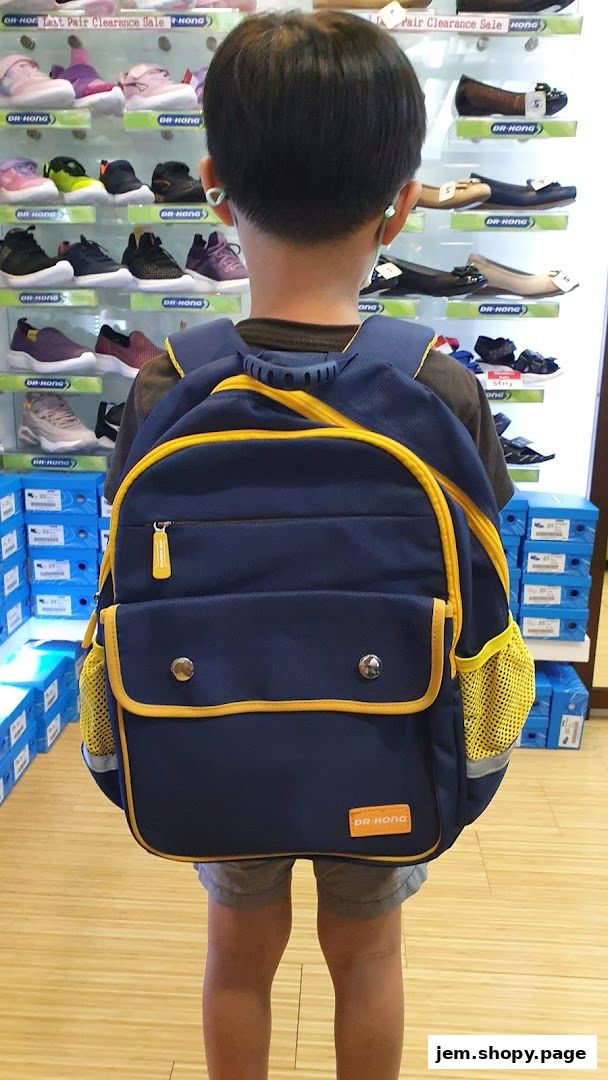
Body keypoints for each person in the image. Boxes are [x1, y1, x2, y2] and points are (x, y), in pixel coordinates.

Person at [105, 13, 512, 1080]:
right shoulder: (437, 385)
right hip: (387, 732)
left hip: (208, 728)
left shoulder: (168, 385)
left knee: (236, 955)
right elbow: (480, 563)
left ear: (213, 189)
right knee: (367, 955)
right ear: (404, 202)